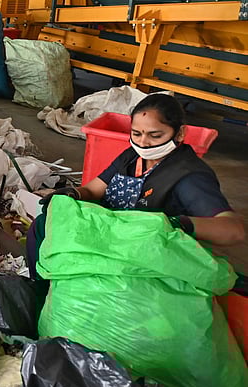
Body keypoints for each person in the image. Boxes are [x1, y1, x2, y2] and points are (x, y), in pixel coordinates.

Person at [26, 94, 245, 278]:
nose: (143, 143)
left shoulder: (188, 175)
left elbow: (233, 230)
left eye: (155, 135)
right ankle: (40, 286)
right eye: (136, 134)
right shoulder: (131, 156)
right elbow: (93, 189)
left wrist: (178, 224)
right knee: (44, 224)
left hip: (146, 253)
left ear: (180, 133)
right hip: (115, 236)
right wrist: (73, 193)